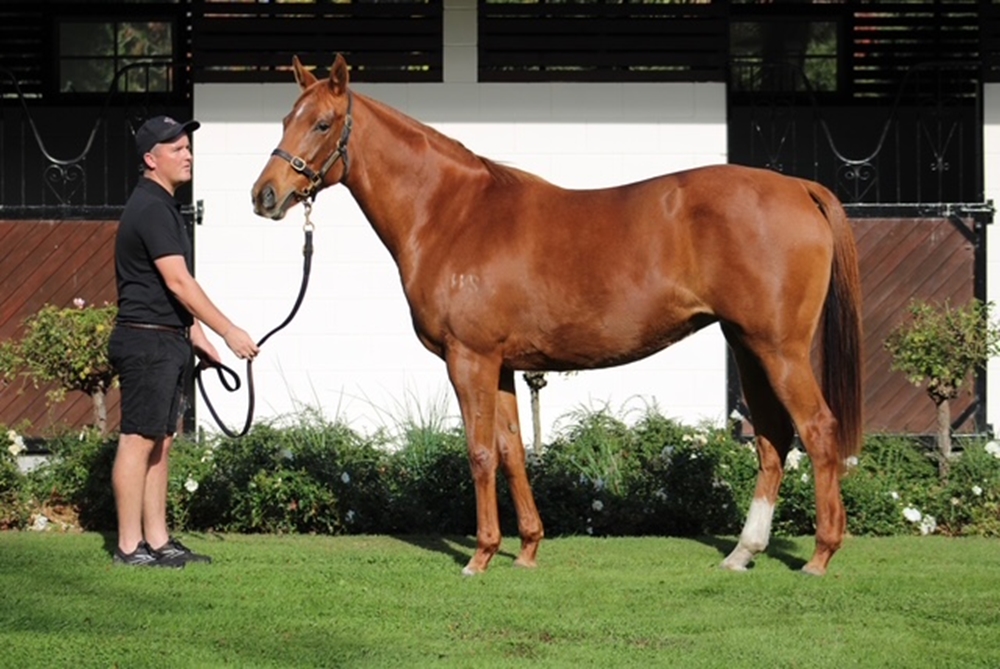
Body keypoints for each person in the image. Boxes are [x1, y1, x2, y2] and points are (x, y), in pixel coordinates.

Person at [109, 116, 259, 567]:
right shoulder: (152, 209)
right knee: (138, 440)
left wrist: (198, 337)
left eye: (188, 147)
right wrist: (228, 330)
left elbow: (165, 287)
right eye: (176, 149)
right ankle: (129, 546)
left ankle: (159, 542)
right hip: (146, 342)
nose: (187, 155)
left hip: (167, 339)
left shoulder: (163, 206)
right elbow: (178, 282)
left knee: (161, 442)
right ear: (151, 159)